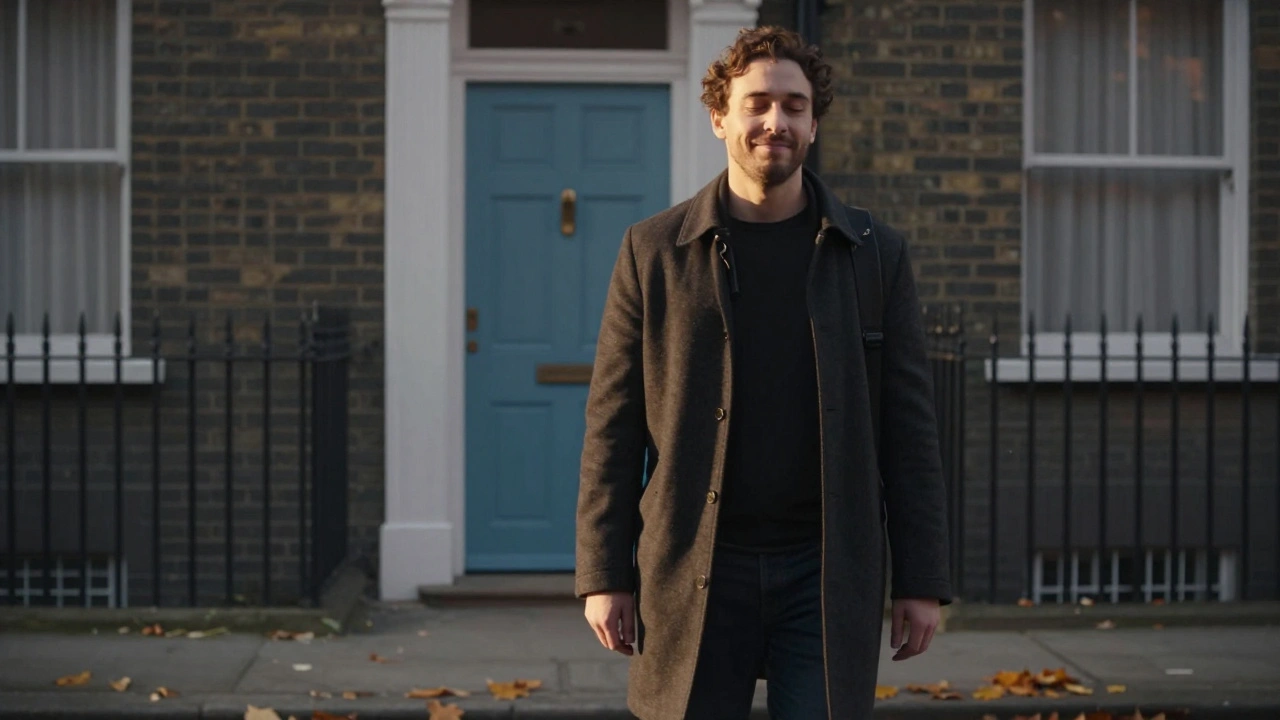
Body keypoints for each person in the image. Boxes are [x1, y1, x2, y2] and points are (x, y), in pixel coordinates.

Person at [575, 26, 952, 720]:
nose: (775, 121)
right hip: (693, 565)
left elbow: (909, 432)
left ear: (814, 123)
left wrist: (921, 579)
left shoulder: (873, 255)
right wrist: (604, 574)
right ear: (720, 117)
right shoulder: (653, 252)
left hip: (825, 571)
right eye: (756, 104)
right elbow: (612, 426)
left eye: (794, 106)